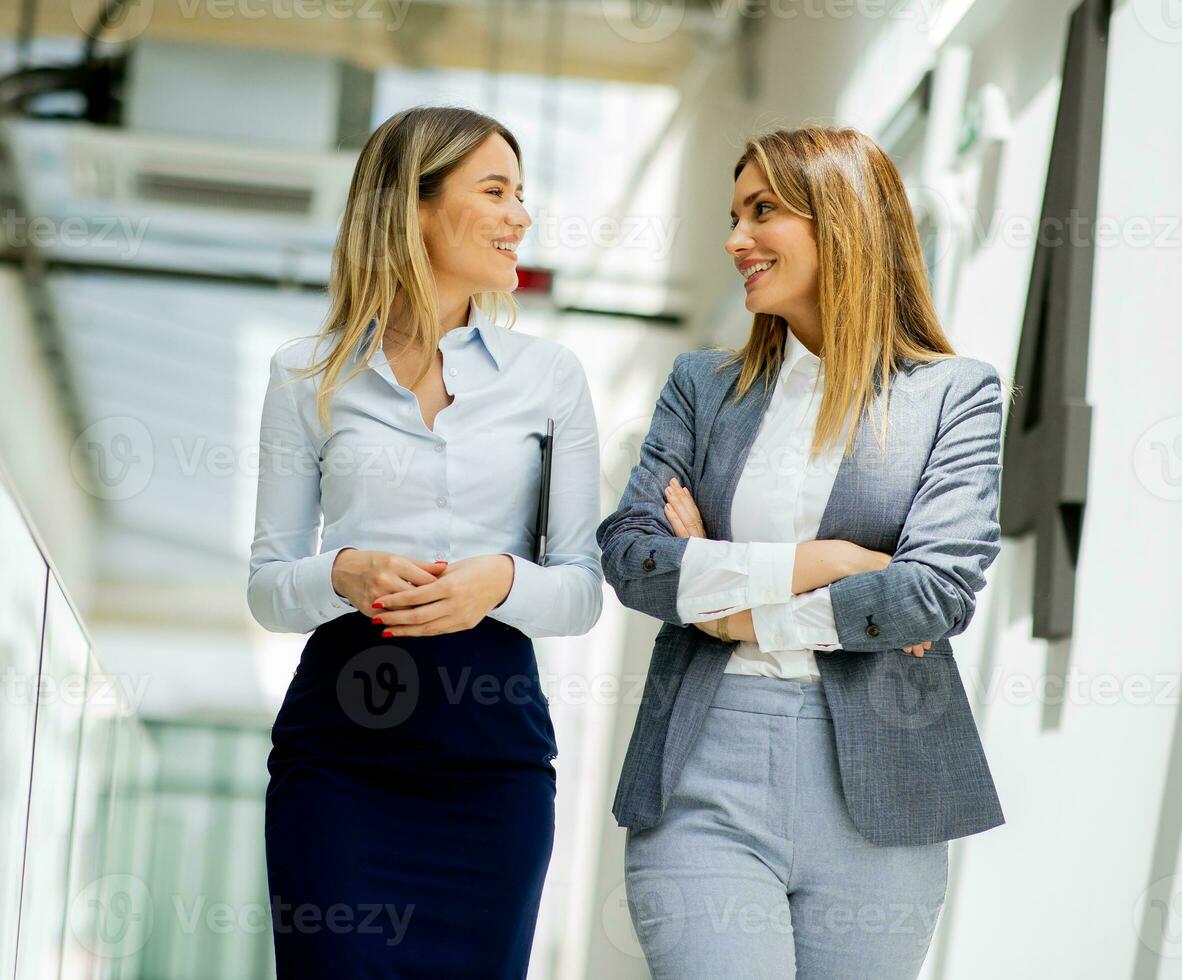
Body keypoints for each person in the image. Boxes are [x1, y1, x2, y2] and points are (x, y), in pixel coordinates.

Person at [598, 125, 1007, 979]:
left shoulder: (953, 396)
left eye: (762, 211)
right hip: (705, 769)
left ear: (843, 220)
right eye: (733, 213)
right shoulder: (702, 388)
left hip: (885, 787)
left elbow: (933, 595)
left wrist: (729, 605)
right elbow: (634, 556)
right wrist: (823, 563)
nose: (734, 238)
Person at [247, 105, 602, 977]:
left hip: (491, 763)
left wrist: (499, 582)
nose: (521, 215)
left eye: (522, 193)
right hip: (341, 760)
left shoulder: (550, 379)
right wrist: (343, 571)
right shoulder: (306, 374)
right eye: (495, 191)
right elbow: (266, 584)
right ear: (413, 207)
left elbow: (584, 588)